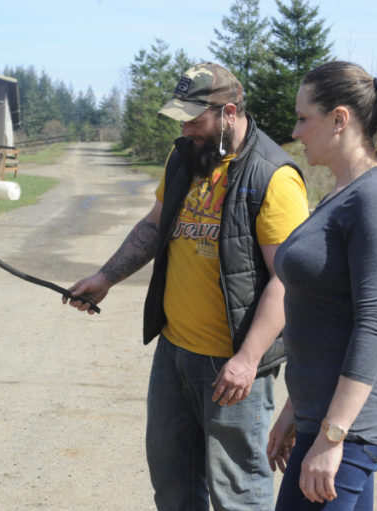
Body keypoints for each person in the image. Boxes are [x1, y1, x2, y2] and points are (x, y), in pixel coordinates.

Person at [63, 62, 310, 510]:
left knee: (238, 492)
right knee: (173, 484)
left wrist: (248, 359)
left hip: (233, 368)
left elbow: (288, 281)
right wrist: (105, 278)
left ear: (229, 112)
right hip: (174, 352)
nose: (186, 129)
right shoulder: (185, 157)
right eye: (182, 119)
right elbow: (154, 226)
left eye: (195, 120)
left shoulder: (273, 176)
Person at [266, 61, 377, 510]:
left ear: (339, 119)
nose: (296, 130)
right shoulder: (342, 194)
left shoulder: (375, 200)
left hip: (349, 429)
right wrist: (293, 412)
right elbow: (325, 318)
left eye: (305, 118)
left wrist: (332, 435)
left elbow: (375, 324)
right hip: (320, 419)